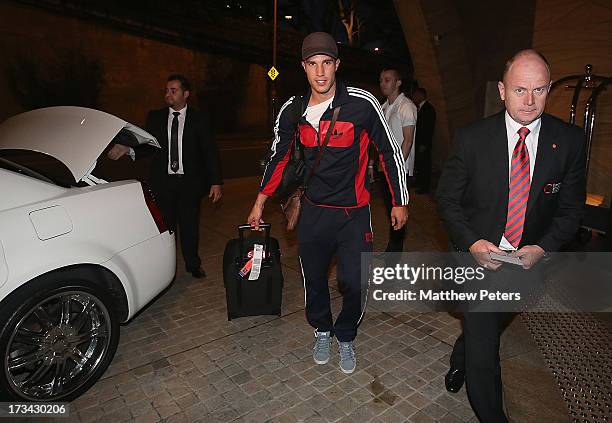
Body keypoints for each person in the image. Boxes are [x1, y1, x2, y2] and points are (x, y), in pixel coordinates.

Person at [436, 50, 586, 422]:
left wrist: (542, 247)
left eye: (539, 90)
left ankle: (462, 355)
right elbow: (447, 200)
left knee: (486, 324)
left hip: (527, 263)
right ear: (502, 90)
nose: (529, 101)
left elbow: (570, 212)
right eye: (520, 90)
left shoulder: (568, 142)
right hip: (476, 258)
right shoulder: (472, 139)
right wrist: (472, 243)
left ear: (549, 90)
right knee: (486, 348)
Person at [247, 32, 409, 374]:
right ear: (304, 67)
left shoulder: (362, 103)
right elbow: (278, 157)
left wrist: (399, 201)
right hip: (314, 213)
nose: (320, 72)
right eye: (312, 64)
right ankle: (322, 329)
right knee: (315, 279)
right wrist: (260, 201)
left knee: (354, 280)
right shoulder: (292, 110)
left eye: (326, 63)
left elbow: (388, 151)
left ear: (337, 65)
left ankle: (346, 334)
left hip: (353, 213)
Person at [109, 74, 223, 279]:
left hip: (189, 184)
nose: (168, 94)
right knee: (166, 229)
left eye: (173, 90)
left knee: (190, 228)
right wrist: (129, 150)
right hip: (163, 183)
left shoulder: (200, 119)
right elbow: (149, 148)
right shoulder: (155, 117)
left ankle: (193, 264)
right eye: (166, 91)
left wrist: (216, 182)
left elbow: (209, 152)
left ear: (185, 94)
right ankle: (165, 268)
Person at [374, 67, 417, 253]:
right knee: (389, 210)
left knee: (398, 209)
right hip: (384, 168)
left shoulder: (406, 106)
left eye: (387, 80)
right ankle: (392, 248)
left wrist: (395, 168)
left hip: (399, 170)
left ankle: (394, 253)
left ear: (398, 83)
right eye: (382, 79)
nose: (383, 83)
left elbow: (408, 141)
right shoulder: (384, 107)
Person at [411, 87, 436, 194]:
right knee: (420, 164)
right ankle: (419, 182)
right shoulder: (420, 108)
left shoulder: (428, 109)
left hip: (423, 143)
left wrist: (424, 144)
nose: (414, 97)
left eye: (415, 95)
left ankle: (425, 187)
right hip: (419, 142)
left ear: (421, 96)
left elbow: (428, 129)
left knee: (425, 165)